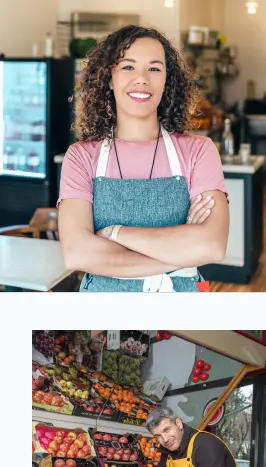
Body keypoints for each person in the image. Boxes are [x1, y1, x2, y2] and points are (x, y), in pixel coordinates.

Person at [58, 26, 229, 292]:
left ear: (166, 82)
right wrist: (179, 251)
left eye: (154, 68)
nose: (142, 79)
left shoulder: (198, 151)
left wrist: (114, 233)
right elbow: (77, 254)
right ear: (109, 78)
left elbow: (211, 246)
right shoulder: (81, 157)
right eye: (128, 67)